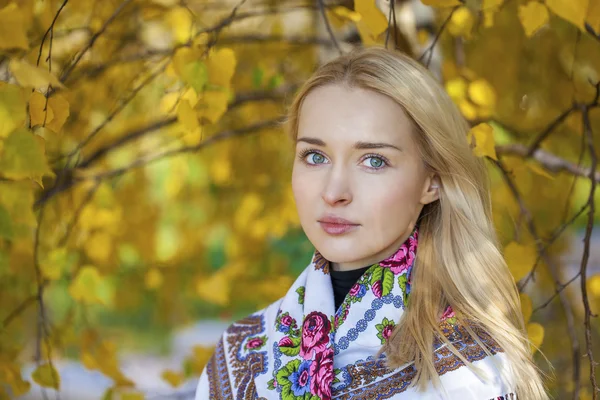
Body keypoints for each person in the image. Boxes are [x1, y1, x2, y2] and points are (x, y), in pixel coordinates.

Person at [194, 46, 549, 399]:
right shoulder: (238, 353)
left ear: (432, 181)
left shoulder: (470, 371)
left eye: (374, 161)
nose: (334, 192)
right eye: (315, 156)